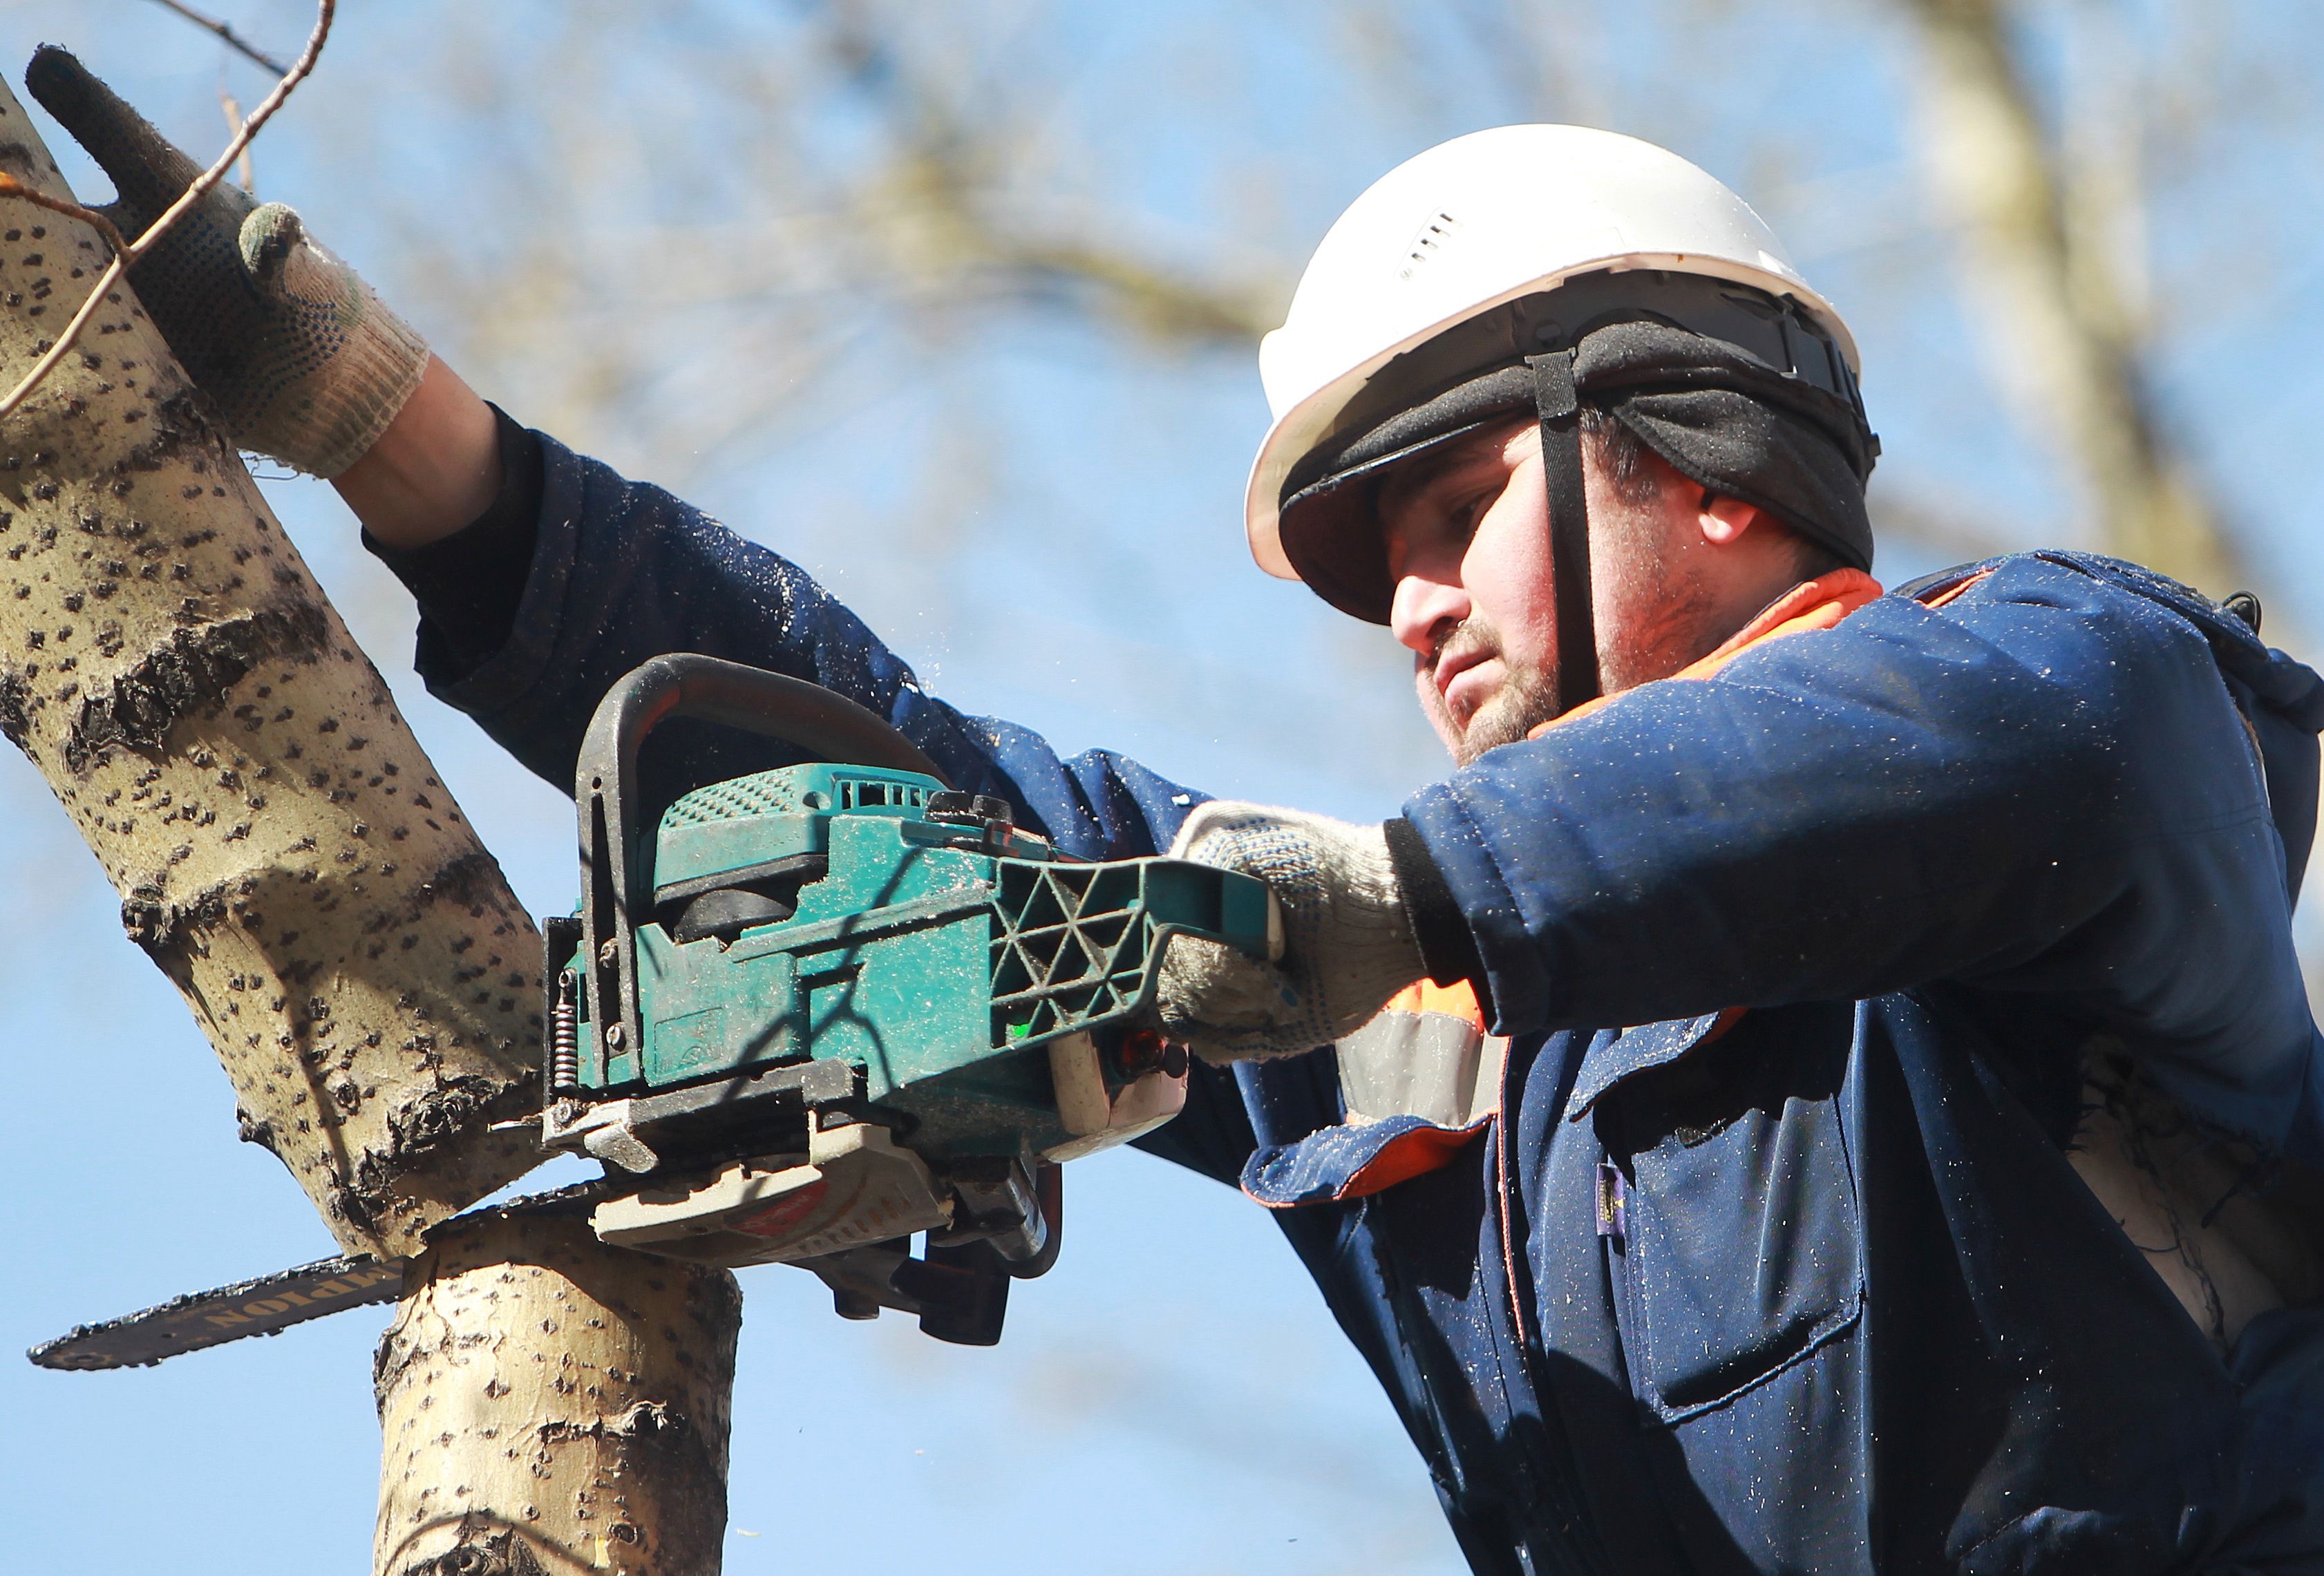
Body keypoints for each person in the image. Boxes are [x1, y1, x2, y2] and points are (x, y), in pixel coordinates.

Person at [35, 47, 2324, 1576]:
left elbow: (2069, 722)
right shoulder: (1438, 1055)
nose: (1409, 610)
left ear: (1700, 453)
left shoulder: (2067, 766)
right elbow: (922, 784)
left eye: (1441, 512)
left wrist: (1390, 884)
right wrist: (387, 436)